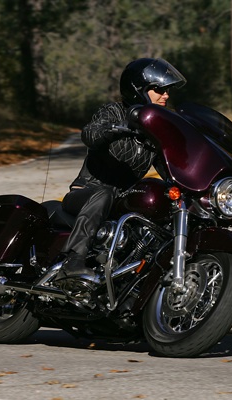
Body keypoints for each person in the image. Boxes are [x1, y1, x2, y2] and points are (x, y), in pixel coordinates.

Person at [55, 58, 187, 284]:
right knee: (104, 194)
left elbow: (169, 168)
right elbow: (90, 135)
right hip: (87, 191)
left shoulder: (154, 131)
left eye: (166, 90)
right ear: (139, 89)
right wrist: (114, 129)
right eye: (158, 89)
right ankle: (73, 260)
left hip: (122, 199)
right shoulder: (113, 112)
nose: (165, 95)